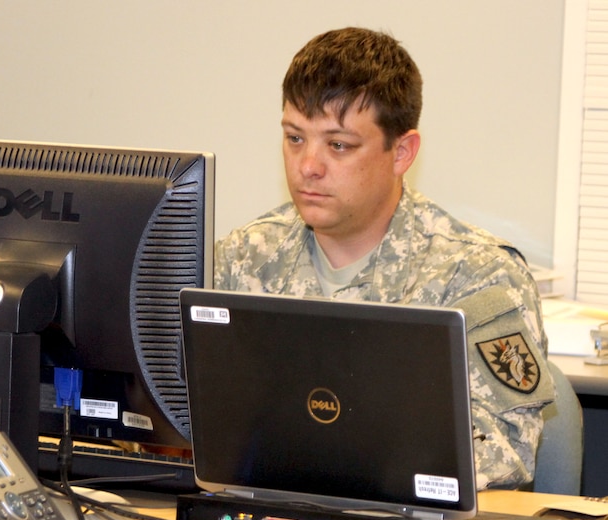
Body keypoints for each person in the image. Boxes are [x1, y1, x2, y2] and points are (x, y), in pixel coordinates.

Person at [213, 26, 556, 490]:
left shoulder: (476, 275)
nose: (307, 165)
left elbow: (505, 453)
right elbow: (184, 418)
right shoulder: (242, 258)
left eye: (338, 145)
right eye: (295, 138)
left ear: (402, 152)